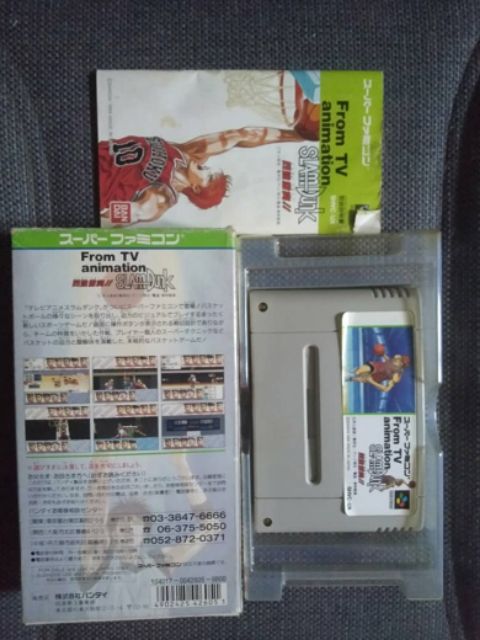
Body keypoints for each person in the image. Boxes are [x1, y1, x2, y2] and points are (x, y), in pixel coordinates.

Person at [99, 126, 309, 224]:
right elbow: (240, 136)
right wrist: (297, 135)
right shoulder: (186, 153)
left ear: (196, 187)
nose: (207, 168)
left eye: (209, 176)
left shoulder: (163, 196)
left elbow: (118, 214)